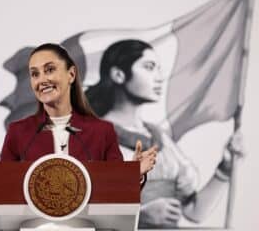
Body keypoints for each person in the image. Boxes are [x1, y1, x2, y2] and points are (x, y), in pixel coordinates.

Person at [85, 39, 243, 228]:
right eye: (149, 67)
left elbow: (194, 212)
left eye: (159, 69)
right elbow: (73, 211)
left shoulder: (160, 138)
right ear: (119, 74)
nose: (159, 77)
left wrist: (224, 169)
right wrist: (139, 215)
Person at [0, 43, 157, 179]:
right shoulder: (19, 132)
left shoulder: (102, 132)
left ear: (70, 74)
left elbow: (117, 193)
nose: (41, 80)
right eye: (35, 74)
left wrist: (134, 175)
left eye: (49, 70)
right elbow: (6, 189)